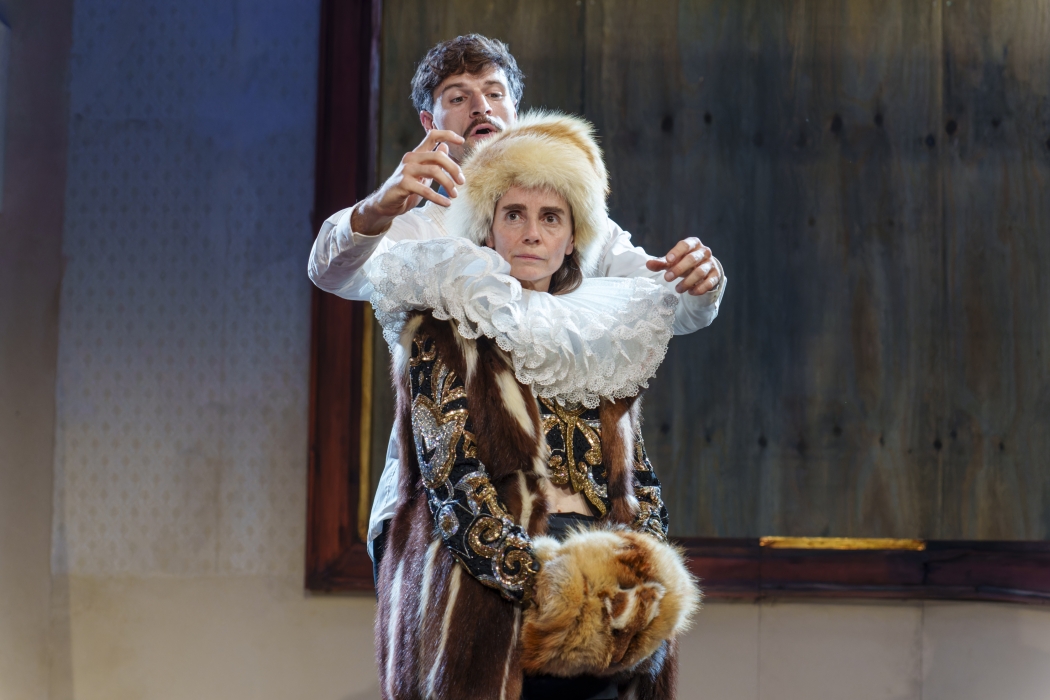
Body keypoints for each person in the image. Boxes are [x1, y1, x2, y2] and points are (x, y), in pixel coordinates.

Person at [307, 34, 727, 570]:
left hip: (559, 509)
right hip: (436, 504)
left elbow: (665, 303)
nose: (480, 107)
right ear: (429, 121)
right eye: (458, 96)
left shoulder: (568, 216)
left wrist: (703, 280)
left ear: (515, 110)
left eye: (494, 93)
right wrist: (380, 206)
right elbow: (328, 270)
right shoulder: (415, 225)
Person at [368, 111, 699, 700]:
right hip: (499, 586)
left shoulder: (603, 334)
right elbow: (455, 484)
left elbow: (636, 479)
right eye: (514, 214)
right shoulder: (443, 329)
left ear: (572, 238)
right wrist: (548, 587)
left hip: (611, 595)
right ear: (489, 228)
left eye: (551, 217)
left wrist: (642, 577)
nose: (531, 233)